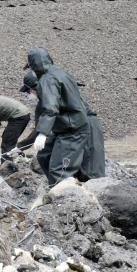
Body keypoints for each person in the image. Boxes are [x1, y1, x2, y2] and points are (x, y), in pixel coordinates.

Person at [24, 47, 89, 186]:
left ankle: (62, 198)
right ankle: (56, 188)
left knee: (59, 169)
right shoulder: (62, 73)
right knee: (44, 155)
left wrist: (42, 133)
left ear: (33, 65)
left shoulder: (47, 80)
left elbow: (50, 108)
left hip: (72, 130)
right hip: (66, 127)